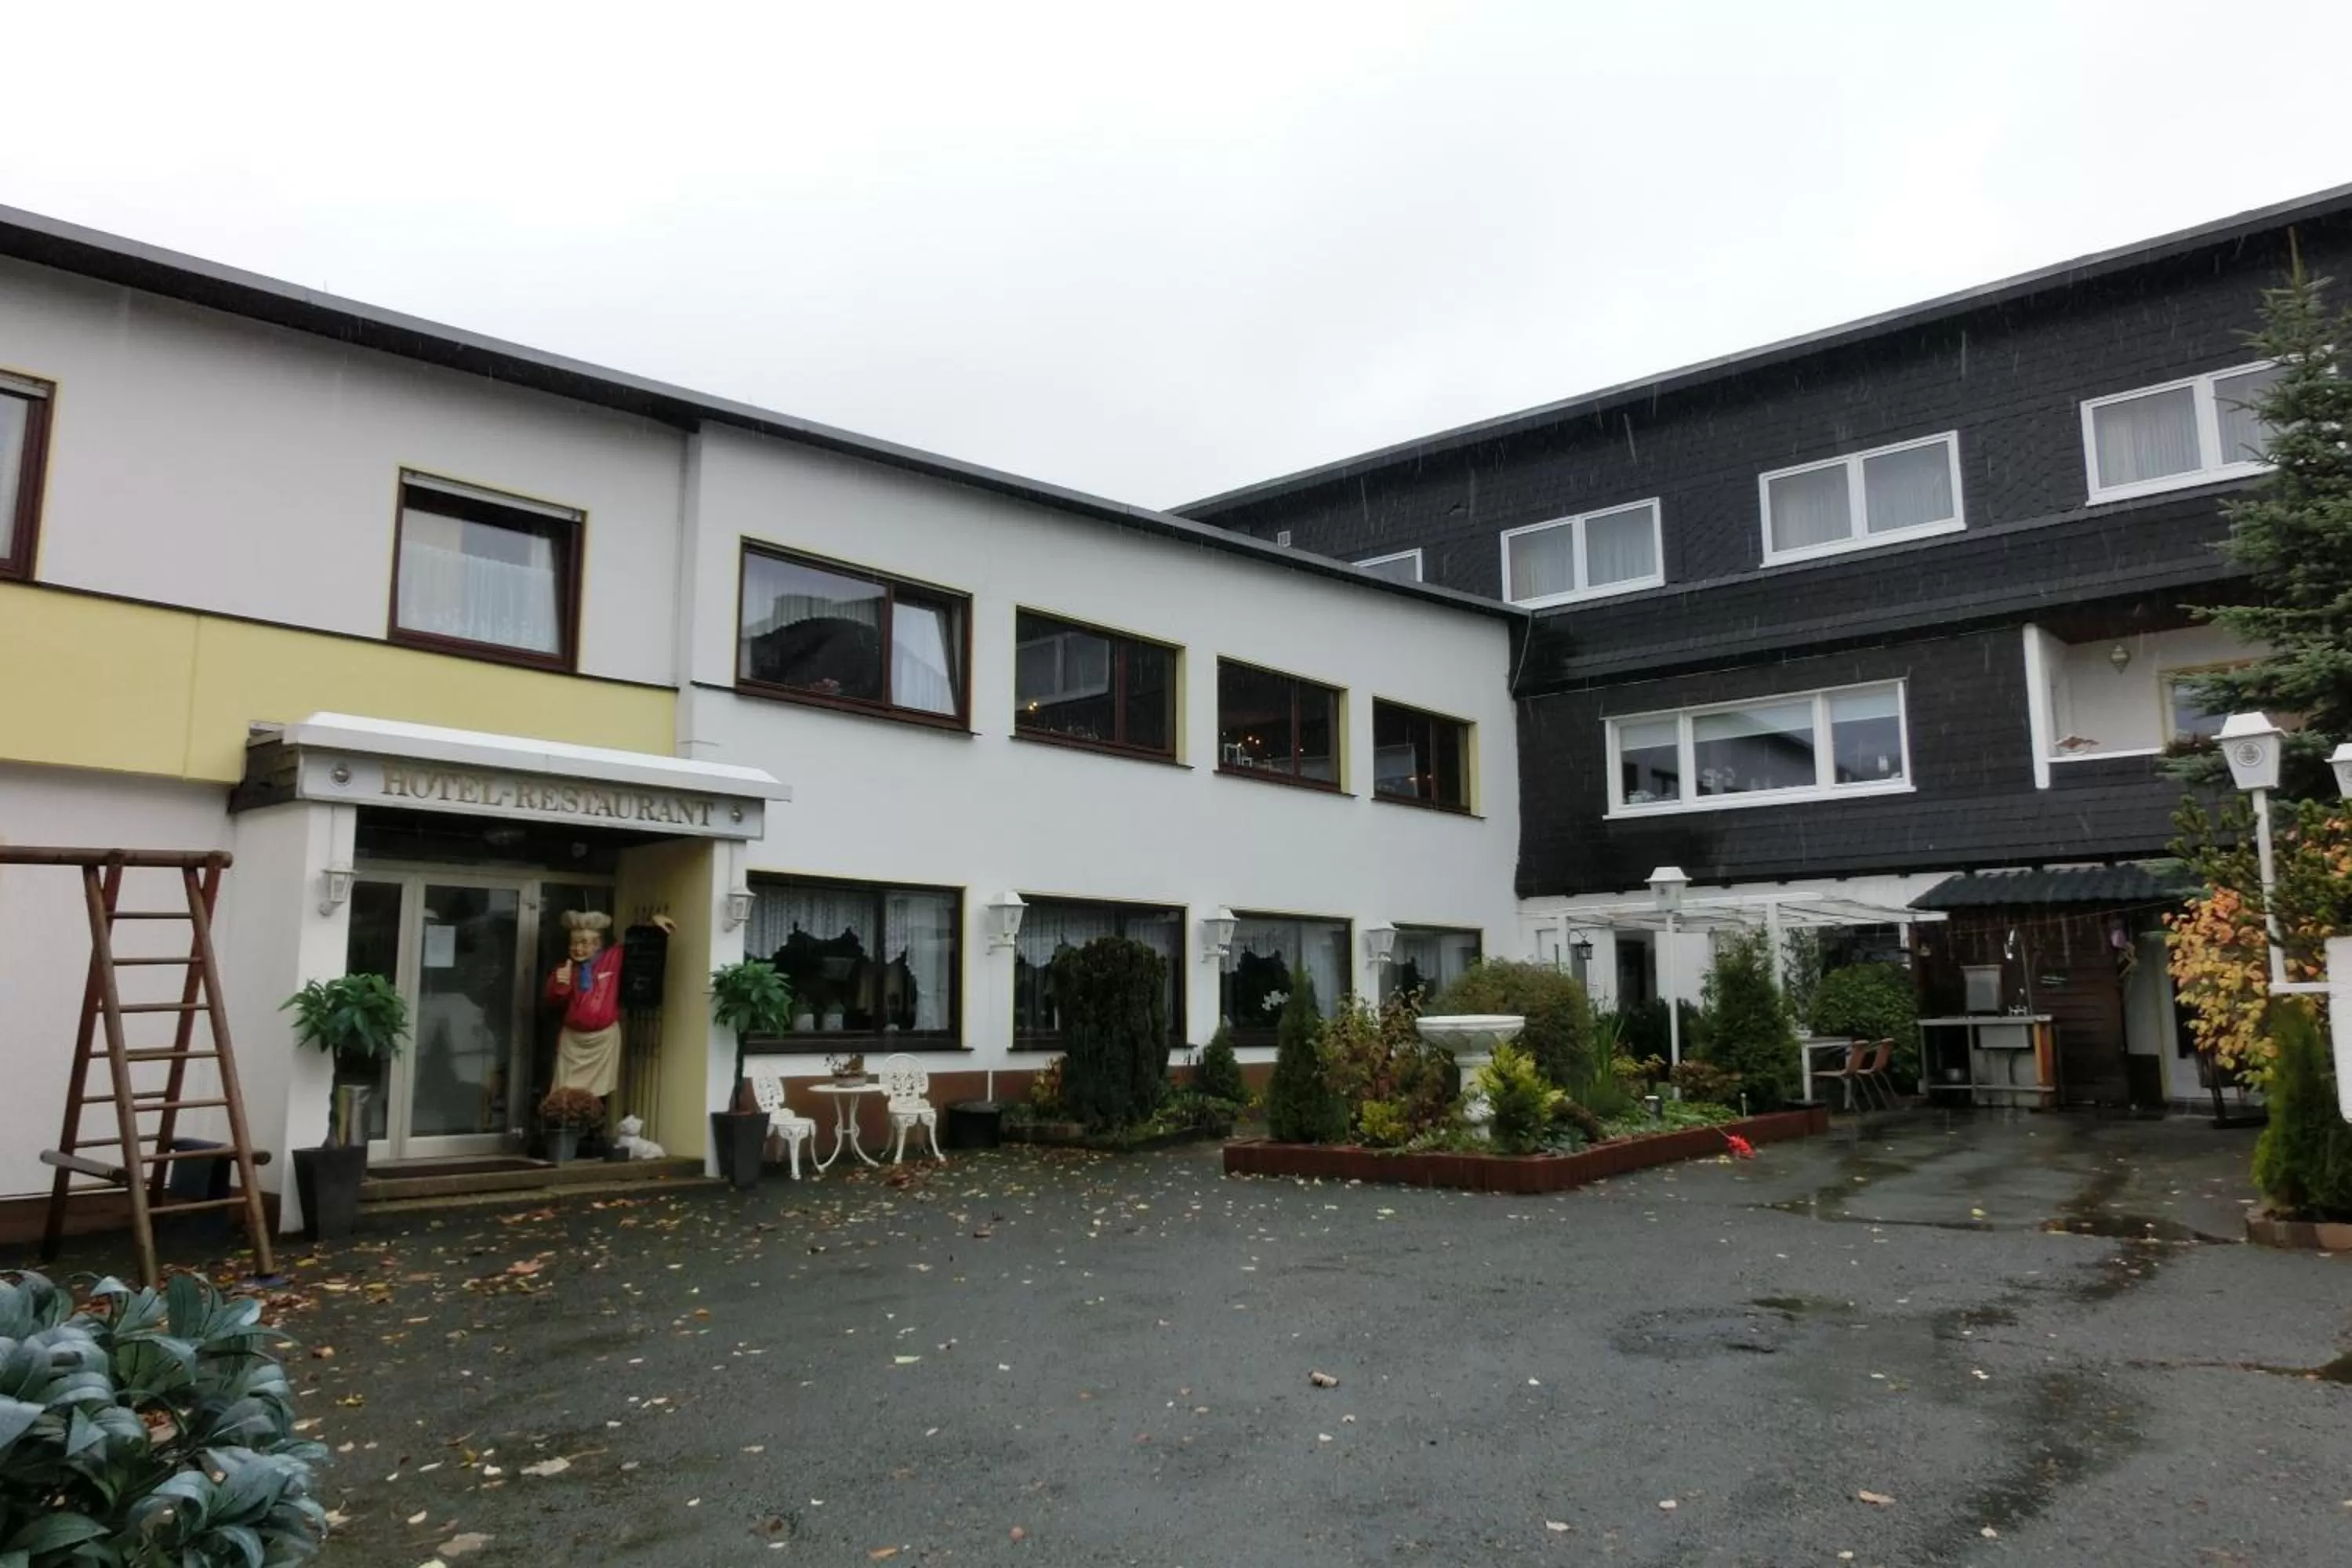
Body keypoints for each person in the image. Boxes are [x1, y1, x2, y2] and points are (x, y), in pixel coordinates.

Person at [546, 909, 624, 1100]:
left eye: (584, 943)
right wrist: (560, 985)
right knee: (565, 1093)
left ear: (598, 944)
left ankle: (594, 1126)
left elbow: (639, 946)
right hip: (573, 1042)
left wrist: (654, 923)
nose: (578, 949)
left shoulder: (613, 959)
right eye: (574, 943)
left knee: (598, 1095)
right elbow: (552, 1001)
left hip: (603, 1040)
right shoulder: (565, 969)